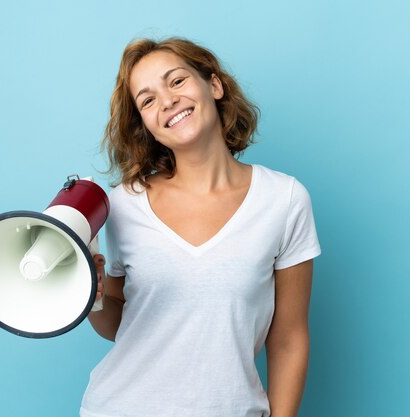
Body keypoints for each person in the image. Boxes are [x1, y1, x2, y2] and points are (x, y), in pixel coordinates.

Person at [80, 37, 321, 417]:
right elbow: (119, 323)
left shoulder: (284, 200)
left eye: (176, 81)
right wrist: (91, 299)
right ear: (146, 126)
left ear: (214, 85)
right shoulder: (125, 204)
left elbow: (289, 338)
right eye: (147, 100)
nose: (167, 101)